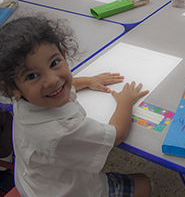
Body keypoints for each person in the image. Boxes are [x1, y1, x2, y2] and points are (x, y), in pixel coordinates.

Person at [0, 16, 151, 197]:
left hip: (34, 184)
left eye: (54, 63)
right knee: (144, 183)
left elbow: (61, 85)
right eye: (32, 76)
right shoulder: (60, 131)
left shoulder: (23, 99)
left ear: (63, 55)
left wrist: (88, 81)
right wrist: (126, 100)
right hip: (73, 192)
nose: (53, 80)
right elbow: (117, 135)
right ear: (12, 88)